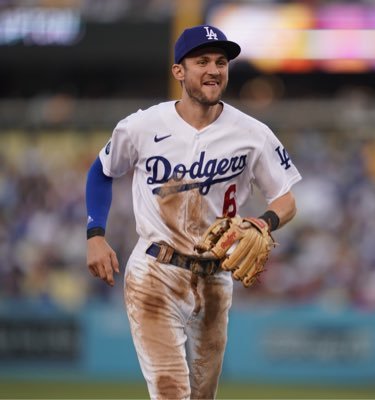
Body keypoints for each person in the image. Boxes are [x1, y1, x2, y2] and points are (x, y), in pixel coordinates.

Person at [85, 24, 302, 399]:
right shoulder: (142, 125)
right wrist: (95, 234)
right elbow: (101, 172)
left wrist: (263, 222)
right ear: (179, 72)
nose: (214, 70)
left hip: (215, 278)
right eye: (201, 61)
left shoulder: (253, 133)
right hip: (155, 271)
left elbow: (285, 199)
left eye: (221, 61)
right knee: (172, 392)